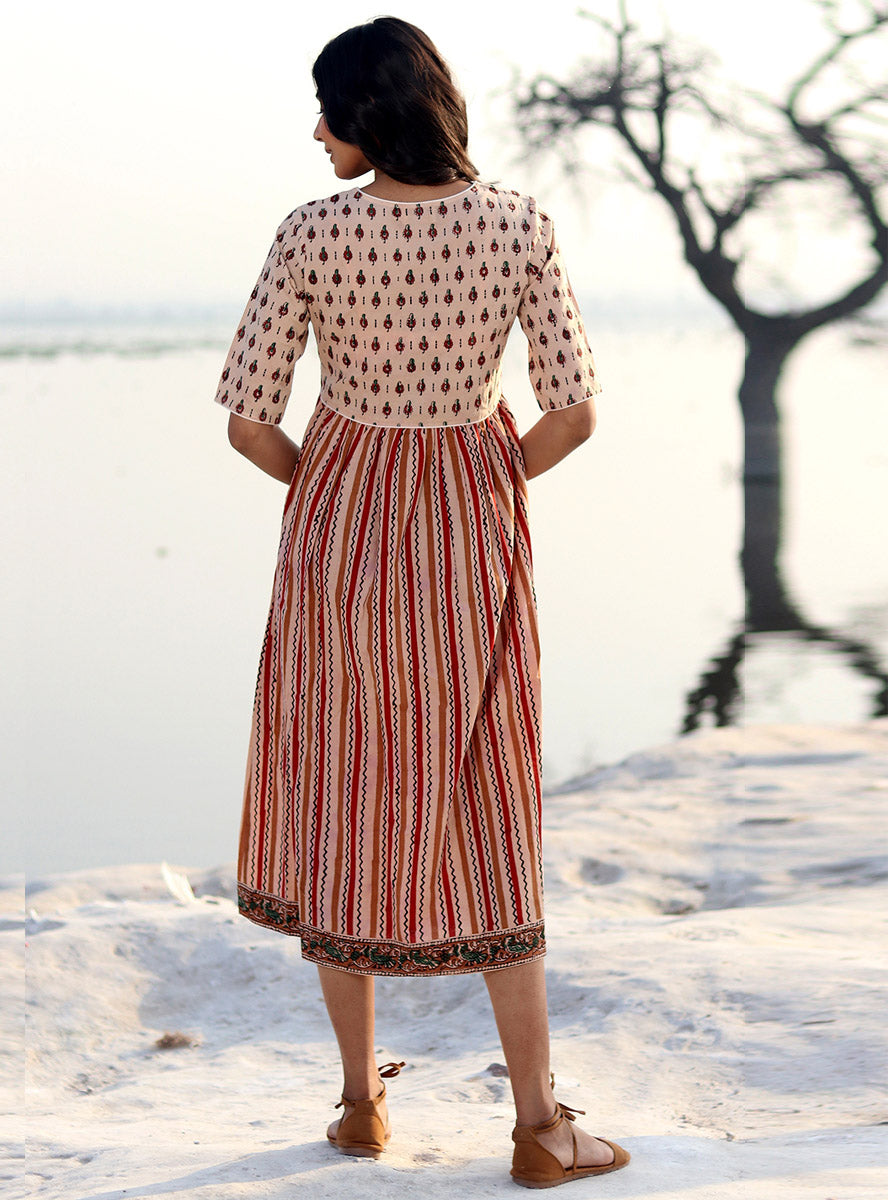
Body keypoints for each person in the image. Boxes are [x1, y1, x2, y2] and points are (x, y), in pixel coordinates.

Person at [214, 16, 629, 1189]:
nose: (316, 131)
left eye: (327, 110)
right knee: (488, 790)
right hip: (471, 535)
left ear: (370, 113)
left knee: (344, 777)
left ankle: (359, 1107)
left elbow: (249, 424)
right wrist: (486, 475)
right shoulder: (518, 225)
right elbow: (573, 411)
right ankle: (541, 1128)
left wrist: (334, 486)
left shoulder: (309, 232)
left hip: (338, 530)